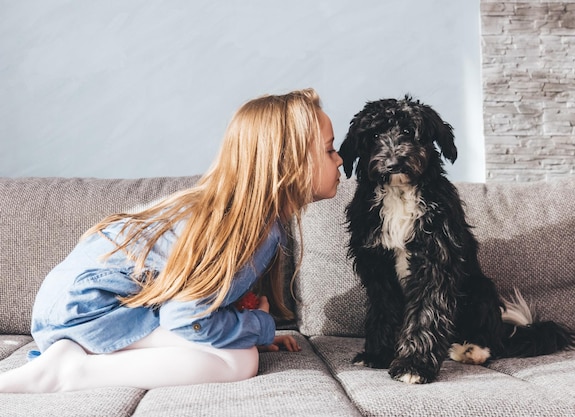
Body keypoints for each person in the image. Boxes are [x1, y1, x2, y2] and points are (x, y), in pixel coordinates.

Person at [0, 88, 343, 393]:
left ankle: (70, 357)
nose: (340, 159)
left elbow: (195, 299)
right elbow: (184, 318)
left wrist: (243, 330)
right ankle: (66, 372)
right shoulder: (248, 230)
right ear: (290, 164)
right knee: (238, 363)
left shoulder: (235, 212)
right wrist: (258, 327)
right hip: (91, 311)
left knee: (240, 348)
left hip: (69, 305)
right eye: (329, 151)